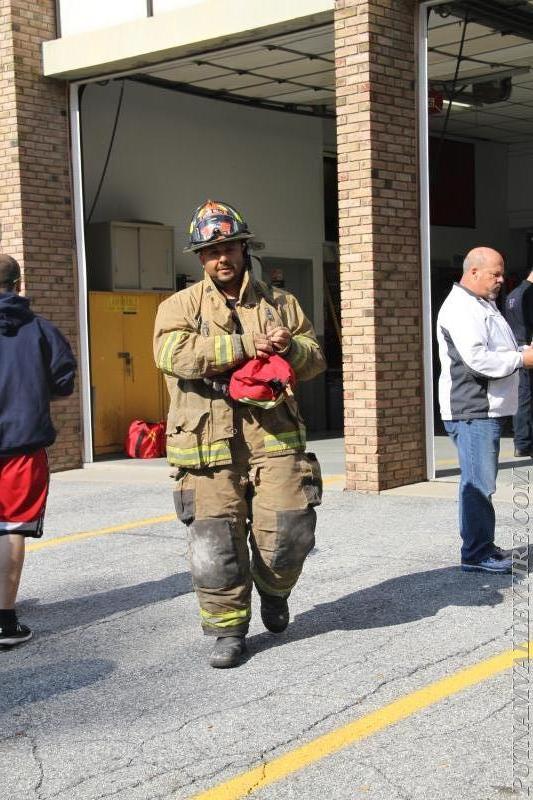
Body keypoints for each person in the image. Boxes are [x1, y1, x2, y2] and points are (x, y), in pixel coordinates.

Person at [154, 200, 326, 668]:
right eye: (211, 251)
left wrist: (291, 348)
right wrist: (248, 344)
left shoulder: (282, 303)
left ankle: (274, 590)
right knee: (215, 544)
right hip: (206, 447)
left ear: (244, 248)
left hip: (274, 439)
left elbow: (316, 358)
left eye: (229, 246)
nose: (221, 258)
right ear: (200, 259)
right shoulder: (179, 307)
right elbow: (175, 354)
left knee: (291, 529)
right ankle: (228, 631)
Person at [437, 246, 533, 574]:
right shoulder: (462, 308)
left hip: (483, 409)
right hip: (473, 409)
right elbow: (477, 360)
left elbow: (498, 349)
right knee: (479, 483)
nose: (501, 280)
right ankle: (477, 554)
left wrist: (520, 350)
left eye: (501, 273)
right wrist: (522, 359)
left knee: (482, 480)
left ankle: (483, 545)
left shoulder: (481, 304)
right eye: (495, 273)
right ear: (473, 272)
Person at [0, 255, 76, 646]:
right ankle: (5, 622)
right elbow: (64, 383)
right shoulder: (41, 331)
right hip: (22, 444)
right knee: (11, 528)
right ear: (18, 282)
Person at [504, 270, 533, 457]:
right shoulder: (529, 294)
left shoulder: (513, 295)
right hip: (528, 351)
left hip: (517, 349)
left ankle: (521, 441)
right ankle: (524, 442)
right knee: (526, 396)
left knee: (522, 396)